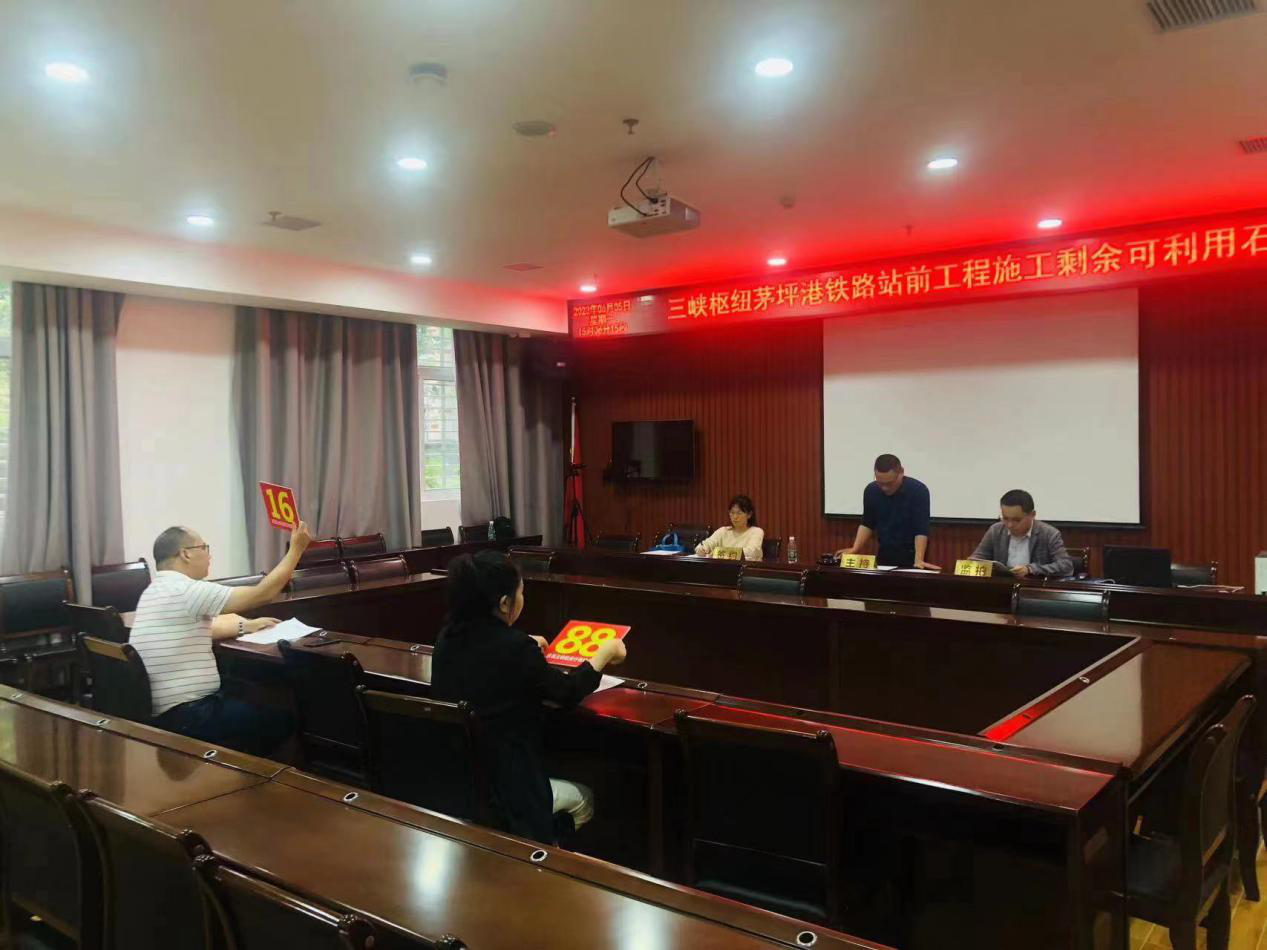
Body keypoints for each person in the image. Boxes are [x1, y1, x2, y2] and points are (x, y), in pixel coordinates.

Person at [431, 550, 627, 845]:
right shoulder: (516, 650)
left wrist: (524, 644)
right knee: (584, 798)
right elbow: (567, 691)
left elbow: (486, 652)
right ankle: (546, 857)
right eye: (521, 593)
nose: (523, 599)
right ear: (504, 603)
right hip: (512, 795)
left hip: (460, 787)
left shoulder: (446, 638)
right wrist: (605, 653)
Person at [128, 521, 312, 755]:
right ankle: (250, 775)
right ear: (185, 554)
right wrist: (296, 549)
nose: (209, 555)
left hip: (166, 712)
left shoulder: (154, 591)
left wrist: (246, 626)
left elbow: (200, 628)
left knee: (249, 695)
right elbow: (263, 593)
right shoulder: (186, 590)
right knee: (283, 719)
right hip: (189, 715)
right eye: (204, 547)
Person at [837, 454, 939, 569]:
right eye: (880, 483)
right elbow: (867, 523)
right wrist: (855, 548)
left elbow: (921, 529)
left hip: (912, 554)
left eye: (889, 483)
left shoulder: (918, 490)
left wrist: (919, 559)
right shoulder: (872, 490)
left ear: (901, 473)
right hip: (885, 551)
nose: (885, 488)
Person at [970, 489, 1073, 578]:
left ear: (1032, 515)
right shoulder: (996, 530)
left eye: (1016, 520)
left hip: (1033, 589)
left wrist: (1030, 569)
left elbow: (1066, 566)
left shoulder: (1049, 534)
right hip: (1001, 587)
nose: (1009, 525)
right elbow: (975, 560)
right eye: (1005, 518)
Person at [695, 494, 766, 561]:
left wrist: (719, 553)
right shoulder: (723, 531)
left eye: (739, 513)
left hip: (746, 569)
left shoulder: (756, 531)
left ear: (749, 514)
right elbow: (704, 545)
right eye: (732, 513)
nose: (735, 517)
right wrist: (702, 549)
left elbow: (752, 553)